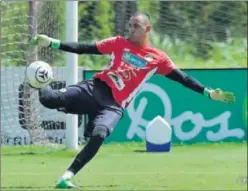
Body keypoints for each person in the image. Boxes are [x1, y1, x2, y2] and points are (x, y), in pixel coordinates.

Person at [30, 12, 235, 189]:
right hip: (95, 89)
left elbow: (184, 79)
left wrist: (208, 92)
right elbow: (84, 48)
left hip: (114, 106)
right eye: (130, 25)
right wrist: (52, 42)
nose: (131, 29)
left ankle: (67, 177)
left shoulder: (158, 58)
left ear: (148, 29)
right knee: (48, 99)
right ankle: (39, 77)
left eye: (135, 26)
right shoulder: (119, 43)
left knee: (99, 133)